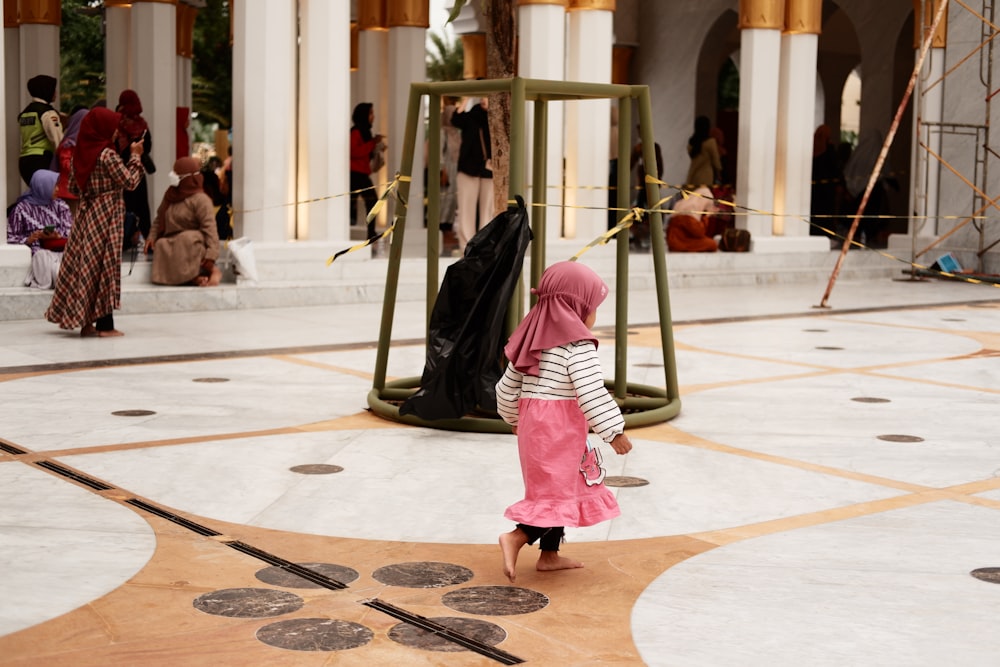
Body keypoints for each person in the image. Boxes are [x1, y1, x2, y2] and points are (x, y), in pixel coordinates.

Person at [495, 261, 634, 583]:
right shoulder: (578, 347)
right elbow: (591, 392)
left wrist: (514, 419)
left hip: (534, 427)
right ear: (577, 307)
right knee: (555, 494)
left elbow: (505, 387)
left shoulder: (529, 341)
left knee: (558, 489)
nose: (595, 315)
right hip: (560, 429)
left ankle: (550, 554)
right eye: (593, 307)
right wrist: (614, 431)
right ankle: (516, 537)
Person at [45, 107, 145, 337]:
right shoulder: (107, 155)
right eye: (113, 127)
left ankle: (86, 323)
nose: (116, 132)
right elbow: (130, 182)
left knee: (86, 265)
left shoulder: (81, 152)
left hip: (86, 214)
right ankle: (105, 326)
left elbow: (71, 187)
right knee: (105, 267)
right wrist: (136, 156)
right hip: (107, 215)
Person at [143, 157, 222, 287]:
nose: (173, 175)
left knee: (184, 239)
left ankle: (211, 272)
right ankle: (189, 278)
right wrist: (151, 237)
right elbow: (160, 217)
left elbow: (210, 229)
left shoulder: (201, 200)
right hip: (172, 237)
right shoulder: (171, 195)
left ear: (187, 177)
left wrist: (211, 256)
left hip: (193, 240)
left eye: (177, 173)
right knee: (162, 244)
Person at [7, 170, 73, 289]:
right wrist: (29, 239)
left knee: (70, 258)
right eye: (54, 186)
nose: (58, 189)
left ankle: (60, 277)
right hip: (38, 252)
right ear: (42, 187)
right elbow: (11, 237)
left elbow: (71, 232)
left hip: (60, 249)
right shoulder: (21, 209)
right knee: (42, 258)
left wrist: (56, 236)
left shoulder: (61, 206)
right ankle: (59, 278)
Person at [451, 96, 494, 254]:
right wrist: (466, 99)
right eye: (481, 96)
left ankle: (485, 248)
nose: (484, 99)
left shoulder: (498, 117)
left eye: (488, 96)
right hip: (468, 168)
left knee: (488, 211)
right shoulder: (471, 115)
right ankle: (466, 248)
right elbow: (455, 119)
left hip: (490, 170)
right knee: (465, 209)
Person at [115, 89, 154, 250]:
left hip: (120, 170)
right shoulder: (142, 124)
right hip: (138, 170)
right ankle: (149, 241)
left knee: (124, 206)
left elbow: (115, 146)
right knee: (142, 208)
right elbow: (149, 146)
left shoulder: (118, 122)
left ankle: (124, 240)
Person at [17, 74, 63, 186]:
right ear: (45, 90)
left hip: (24, 162)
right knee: (46, 198)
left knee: (36, 196)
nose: (55, 92)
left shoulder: (25, 113)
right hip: (42, 160)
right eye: (53, 89)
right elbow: (58, 140)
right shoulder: (47, 113)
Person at [349, 102, 385, 239]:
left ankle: (371, 232)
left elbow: (367, 153)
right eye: (370, 113)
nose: (373, 116)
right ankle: (370, 232)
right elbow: (354, 152)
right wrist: (372, 144)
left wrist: (377, 147)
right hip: (354, 173)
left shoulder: (366, 132)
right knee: (357, 202)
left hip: (362, 172)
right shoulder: (356, 132)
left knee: (372, 201)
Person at [52, 106, 89, 218]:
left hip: (78, 192)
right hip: (67, 193)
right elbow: (65, 163)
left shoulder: (82, 144)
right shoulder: (69, 143)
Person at [810, 124, 842, 239]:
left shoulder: (830, 151)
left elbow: (836, 171)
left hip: (827, 193)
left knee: (826, 216)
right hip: (813, 192)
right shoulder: (810, 150)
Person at [666, 186, 719, 252]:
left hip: (674, 241)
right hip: (680, 243)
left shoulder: (681, 203)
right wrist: (706, 217)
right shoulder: (692, 208)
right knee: (712, 244)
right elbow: (699, 232)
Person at [685, 115, 722, 189]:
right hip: (706, 176)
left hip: (692, 175)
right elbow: (716, 160)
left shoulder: (692, 142)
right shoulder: (710, 142)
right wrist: (719, 173)